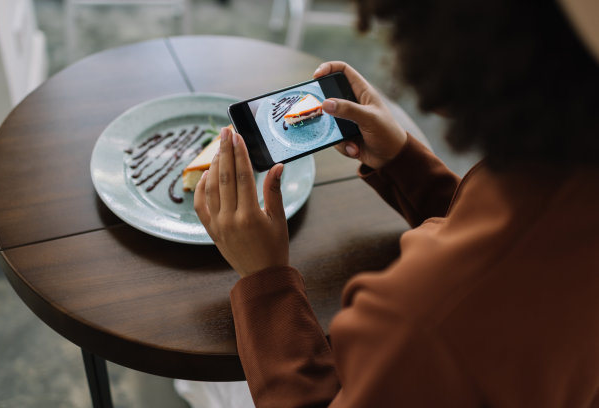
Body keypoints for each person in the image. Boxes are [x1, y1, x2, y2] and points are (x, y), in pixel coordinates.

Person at [194, 0, 599, 406]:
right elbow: (503, 240)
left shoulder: (417, 321)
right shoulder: (564, 173)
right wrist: (403, 163)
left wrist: (266, 279)